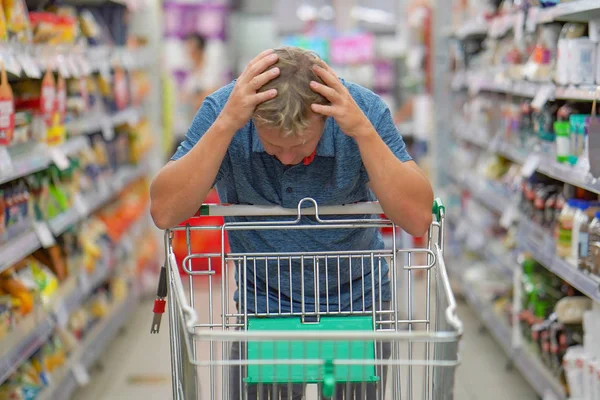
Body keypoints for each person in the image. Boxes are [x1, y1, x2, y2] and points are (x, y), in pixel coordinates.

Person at [150, 47, 433, 399]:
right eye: (272, 145)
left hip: (358, 307)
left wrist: (363, 133)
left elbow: (418, 218)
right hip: (264, 310)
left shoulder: (360, 110)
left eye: (300, 144)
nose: (286, 157)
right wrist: (225, 124)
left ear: (325, 119)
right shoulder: (227, 110)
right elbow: (164, 211)